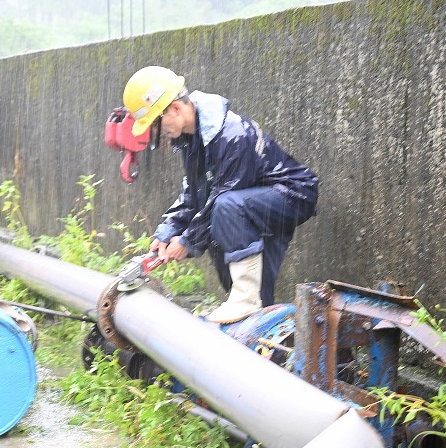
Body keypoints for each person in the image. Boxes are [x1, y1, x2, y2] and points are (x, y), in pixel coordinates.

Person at [123, 66, 318, 323]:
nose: (158, 134)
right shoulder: (192, 140)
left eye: (156, 124)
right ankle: (254, 317)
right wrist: (167, 231)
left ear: (175, 109)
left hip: (292, 194)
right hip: (251, 202)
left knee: (225, 209)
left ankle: (245, 300)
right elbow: (193, 194)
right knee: (218, 231)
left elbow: (224, 194)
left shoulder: (232, 135)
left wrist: (187, 241)